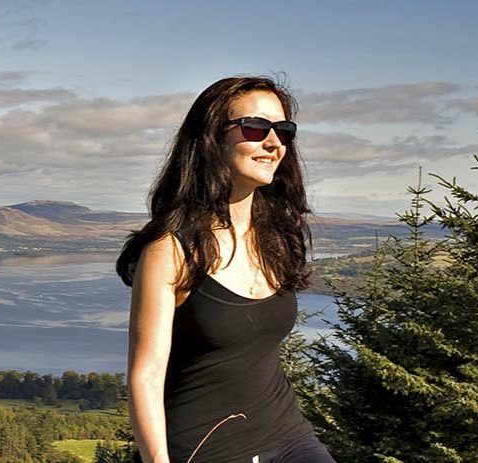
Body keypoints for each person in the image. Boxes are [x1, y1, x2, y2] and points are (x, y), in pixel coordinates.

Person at [115, 76, 333, 463]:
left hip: (289, 439)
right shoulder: (171, 250)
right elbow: (145, 377)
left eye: (283, 131)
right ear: (211, 138)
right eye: (255, 128)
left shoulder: (279, 238)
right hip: (205, 449)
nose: (273, 143)